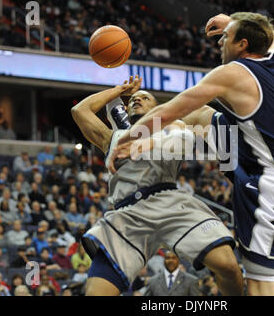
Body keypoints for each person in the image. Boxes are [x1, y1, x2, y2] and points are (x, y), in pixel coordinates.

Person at [109, 12, 274, 296]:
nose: (220, 41)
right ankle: (168, 141)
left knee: (261, 288)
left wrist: (130, 137)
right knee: (202, 115)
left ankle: (157, 140)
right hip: (255, 154)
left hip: (268, 183)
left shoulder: (233, 73)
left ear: (243, 44)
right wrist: (232, 21)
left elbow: (172, 108)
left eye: (227, 37)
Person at [71, 75, 243, 296]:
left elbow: (193, 127)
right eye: (133, 99)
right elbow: (80, 111)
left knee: (228, 265)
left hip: (169, 201)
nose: (137, 99)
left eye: (144, 97)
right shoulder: (111, 137)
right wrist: (119, 90)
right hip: (128, 213)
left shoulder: (175, 125)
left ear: (158, 108)